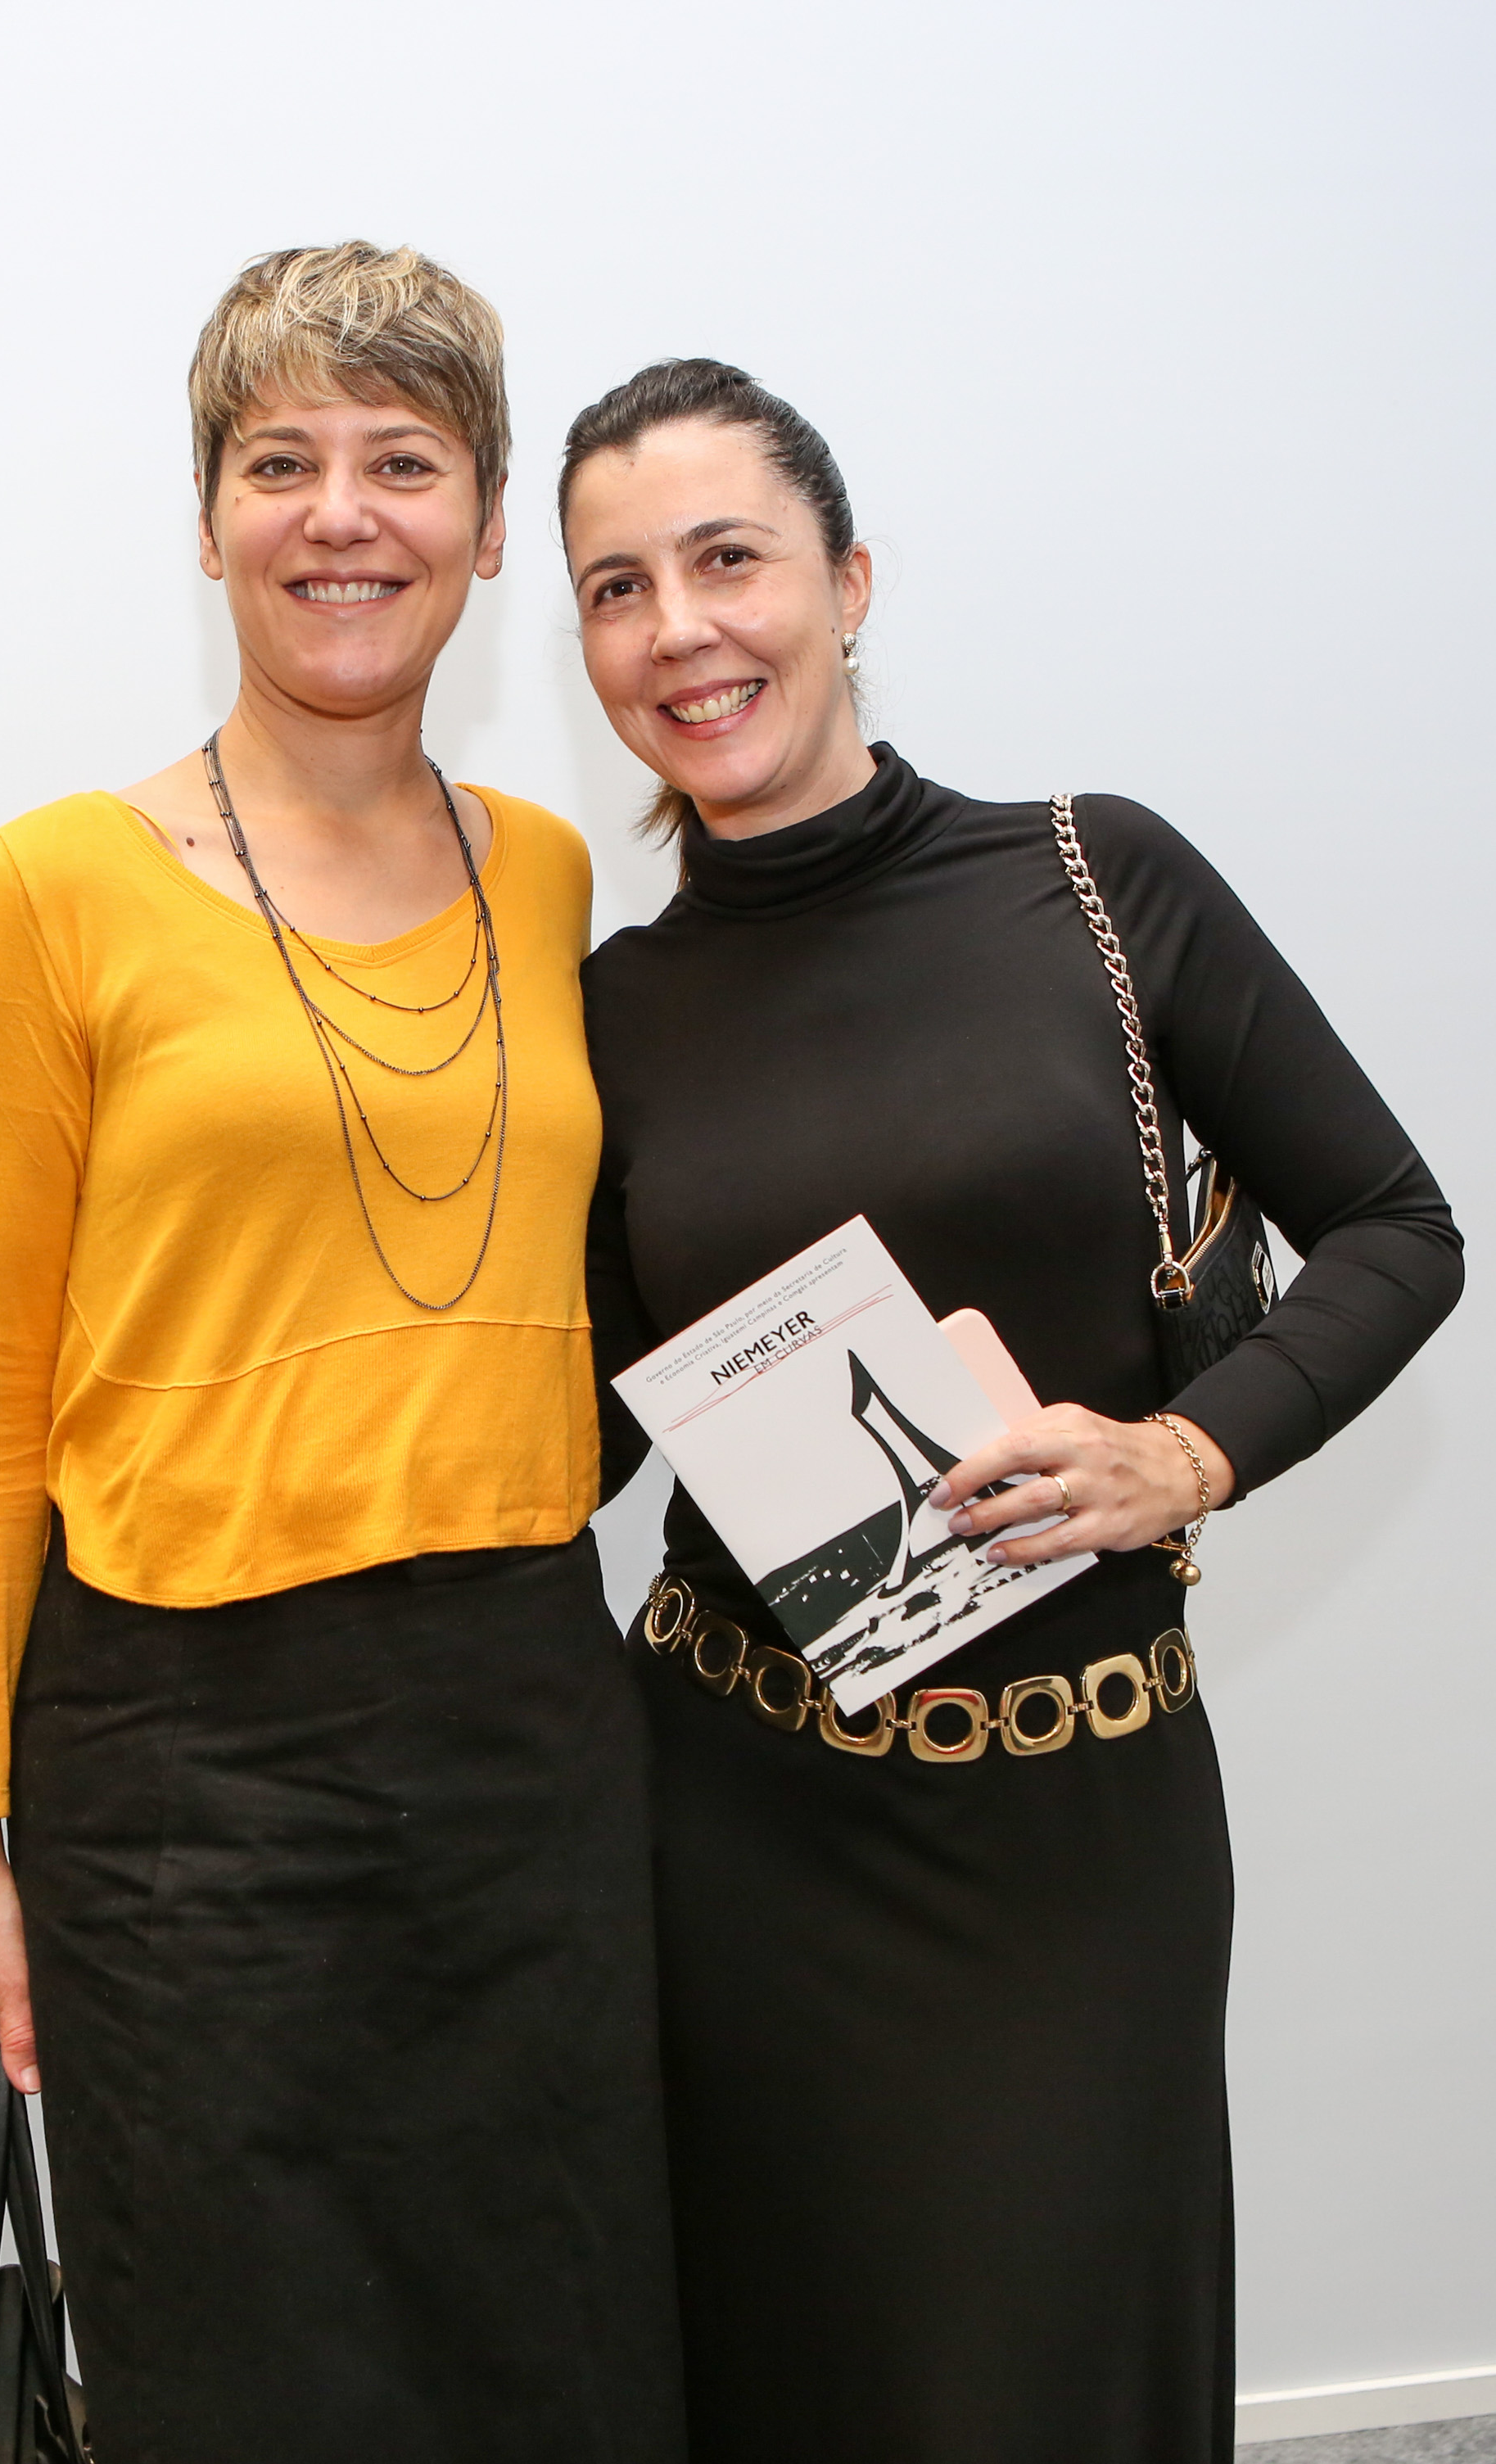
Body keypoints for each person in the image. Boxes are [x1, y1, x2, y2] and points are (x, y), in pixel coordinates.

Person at [560, 357, 1463, 2464]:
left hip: (1078, 1828)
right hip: (731, 1823)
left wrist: (1189, 1450)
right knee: (771, 2374)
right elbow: (576, 1431)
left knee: (1045, 2380)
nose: (680, 627)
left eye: (727, 558)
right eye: (617, 587)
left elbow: (1394, 1227)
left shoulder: (1094, 877)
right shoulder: (609, 1010)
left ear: (849, 579)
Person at [0, 245, 685, 2464]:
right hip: (184, 1768)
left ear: (487, 525)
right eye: (281, 462)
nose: (342, 513)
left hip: (525, 1726)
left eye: (403, 462)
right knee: (244, 2372)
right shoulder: (57, 885)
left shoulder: (548, 873)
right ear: (207, 517)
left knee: (555, 2342)